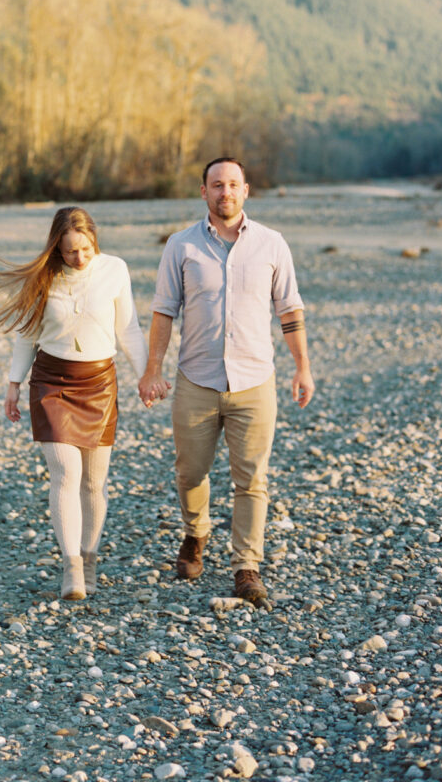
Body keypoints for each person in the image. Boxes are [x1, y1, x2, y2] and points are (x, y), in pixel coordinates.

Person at [138, 157, 314, 605]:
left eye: (233, 184)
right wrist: (153, 369)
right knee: (190, 472)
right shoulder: (181, 245)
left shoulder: (273, 245)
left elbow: (289, 310)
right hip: (196, 379)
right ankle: (196, 532)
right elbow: (163, 312)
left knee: (251, 479)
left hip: (255, 381)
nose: (225, 192)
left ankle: (246, 566)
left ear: (246, 190)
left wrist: (302, 367)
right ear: (204, 192)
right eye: (217, 185)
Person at [0, 207, 147, 601]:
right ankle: (71, 567)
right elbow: (26, 334)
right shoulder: (44, 276)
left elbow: (129, 328)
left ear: (95, 242)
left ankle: (88, 559)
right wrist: (13, 384)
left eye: (85, 249)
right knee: (66, 471)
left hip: (99, 383)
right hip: (52, 382)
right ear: (57, 247)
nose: (79, 258)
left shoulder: (114, 270)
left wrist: (146, 375)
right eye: (70, 251)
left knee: (93, 481)